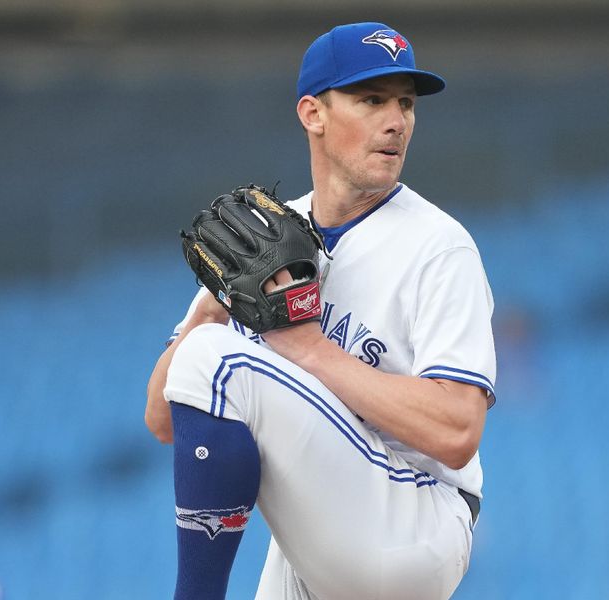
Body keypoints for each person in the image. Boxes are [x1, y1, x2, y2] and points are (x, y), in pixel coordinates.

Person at [145, 21, 496, 600]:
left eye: (406, 103)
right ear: (313, 114)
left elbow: (459, 429)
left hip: (415, 518)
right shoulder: (266, 235)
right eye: (372, 99)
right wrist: (212, 307)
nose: (397, 121)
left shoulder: (438, 245)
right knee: (206, 353)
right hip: (323, 525)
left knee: (219, 362)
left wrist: (307, 348)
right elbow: (163, 419)